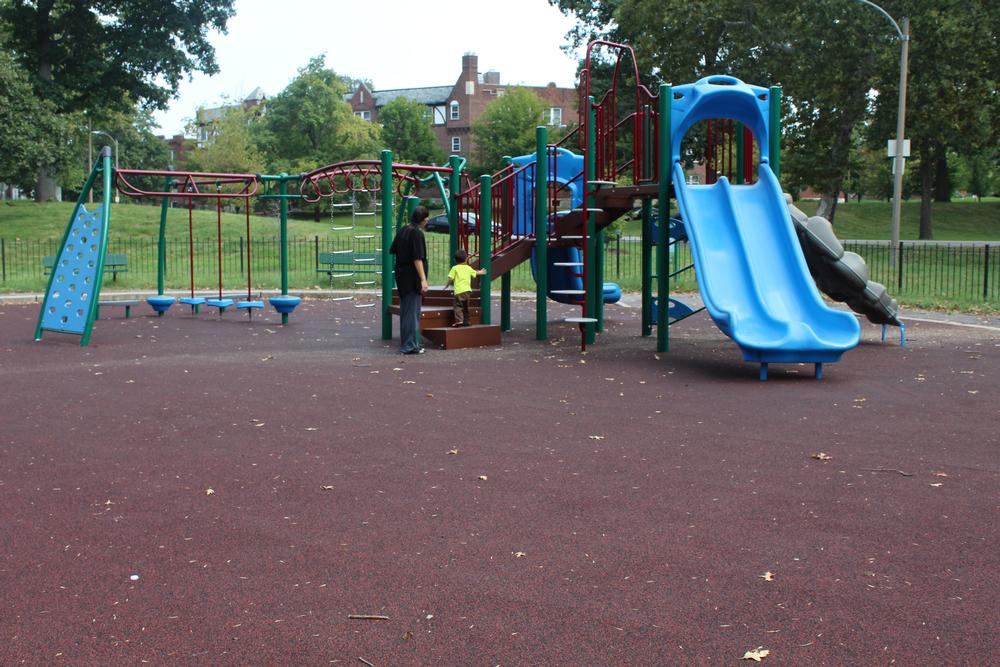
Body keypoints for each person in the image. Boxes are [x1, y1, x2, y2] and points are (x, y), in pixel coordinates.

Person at [389, 205, 429, 354]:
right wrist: (423, 279)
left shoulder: (403, 230)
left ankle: (408, 342)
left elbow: (393, 250)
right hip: (412, 277)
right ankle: (410, 345)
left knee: (406, 311)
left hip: (401, 275)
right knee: (413, 312)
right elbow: (417, 258)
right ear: (423, 219)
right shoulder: (417, 234)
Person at [445, 248, 486, 327]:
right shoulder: (468, 268)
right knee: (466, 307)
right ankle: (467, 321)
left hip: (459, 291)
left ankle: (459, 320)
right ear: (466, 259)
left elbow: (450, 278)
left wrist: (447, 285)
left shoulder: (454, 268)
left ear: (455, 260)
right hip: (467, 291)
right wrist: (482, 272)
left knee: (458, 306)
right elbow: (476, 273)